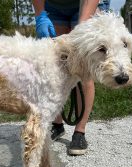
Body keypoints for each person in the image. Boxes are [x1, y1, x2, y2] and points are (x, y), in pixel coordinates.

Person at [33, 0, 111, 156]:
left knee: (84, 66)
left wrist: (82, 27)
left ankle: (80, 131)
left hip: (87, 3)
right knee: (54, 65)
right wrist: (41, 15)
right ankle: (57, 123)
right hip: (53, 6)